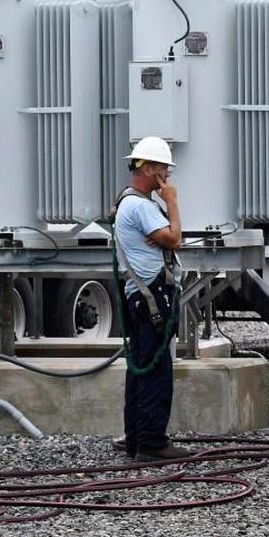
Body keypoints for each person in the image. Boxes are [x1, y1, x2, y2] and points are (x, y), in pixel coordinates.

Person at [113, 136, 190, 462]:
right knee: (155, 369)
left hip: (142, 295)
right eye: (162, 169)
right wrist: (171, 202)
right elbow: (175, 239)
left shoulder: (131, 203)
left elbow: (166, 239)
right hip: (152, 296)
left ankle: (137, 438)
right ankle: (152, 442)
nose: (167, 177)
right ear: (147, 168)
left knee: (142, 368)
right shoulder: (141, 205)